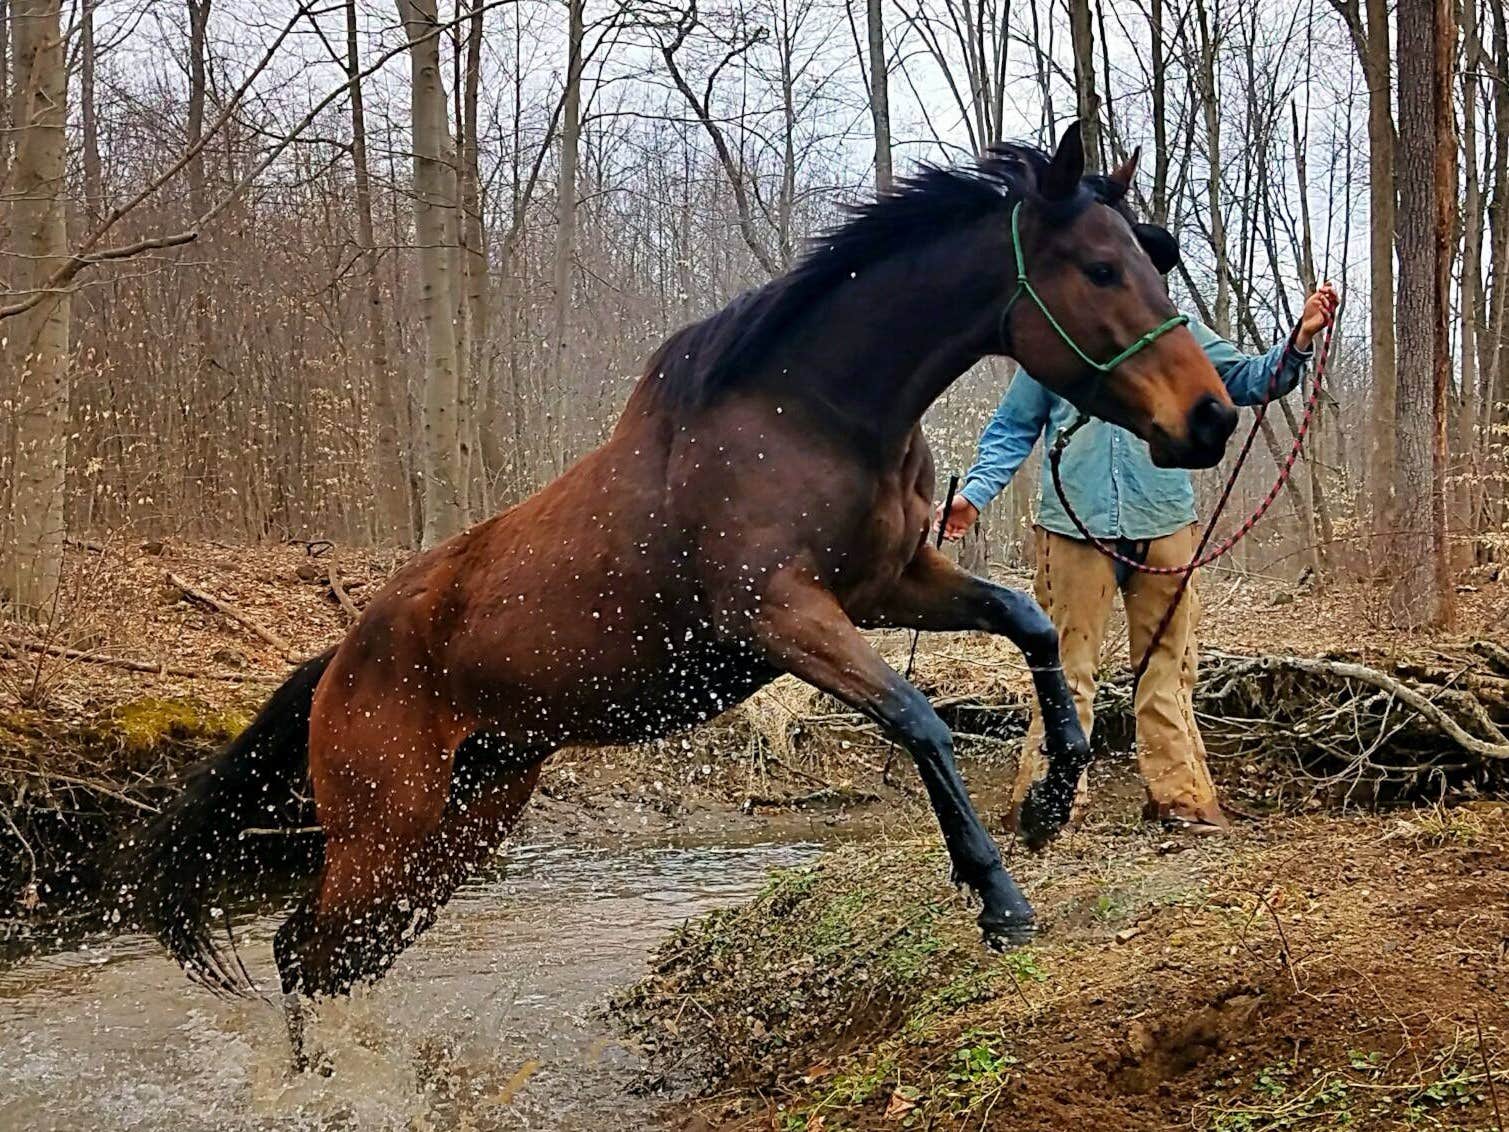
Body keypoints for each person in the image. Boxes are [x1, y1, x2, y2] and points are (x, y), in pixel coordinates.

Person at [941, 282, 1340, 834]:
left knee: (1168, 668)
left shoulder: (1181, 337)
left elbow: (1251, 379)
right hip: (1074, 527)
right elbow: (1013, 427)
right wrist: (974, 495)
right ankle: (1051, 803)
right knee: (1065, 670)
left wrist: (1299, 340)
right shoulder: (1057, 345)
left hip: (1164, 522)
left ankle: (1182, 803)